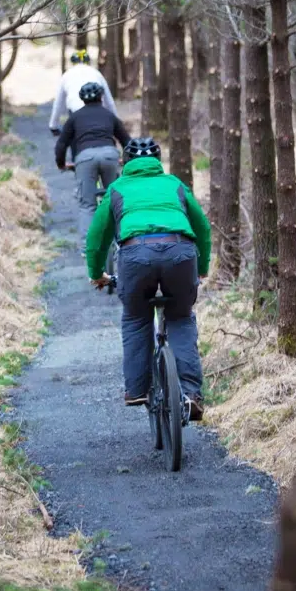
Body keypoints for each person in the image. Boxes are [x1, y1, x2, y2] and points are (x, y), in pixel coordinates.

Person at [85, 137, 211, 422]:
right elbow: (202, 226)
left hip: (135, 254)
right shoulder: (174, 184)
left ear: (125, 162)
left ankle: (137, 389)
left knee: (135, 316)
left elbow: (97, 238)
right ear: (158, 160)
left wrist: (97, 274)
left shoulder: (117, 189)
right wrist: (202, 266)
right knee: (180, 317)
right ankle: (191, 394)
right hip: (181, 252)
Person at [55, 81, 130, 250]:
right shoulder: (109, 116)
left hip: (85, 158)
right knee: (115, 200)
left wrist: (61, 164)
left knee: (87, 204)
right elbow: (127, 141)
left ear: (82, 99)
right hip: (110, 155)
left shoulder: (74, 117)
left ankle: (87, 248)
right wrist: (128, 161)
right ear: (101, 97)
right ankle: (123, 241)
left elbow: (61, 144)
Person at [49, 49, 118, 137]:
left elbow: (58, 103)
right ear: (88, 61)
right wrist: (117, 121)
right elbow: (109, 101)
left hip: (75, 111)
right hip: (97, 110)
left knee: (75, 138)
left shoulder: (66, 75)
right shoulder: (97, 73)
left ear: (73, 62)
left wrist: (53, 125)